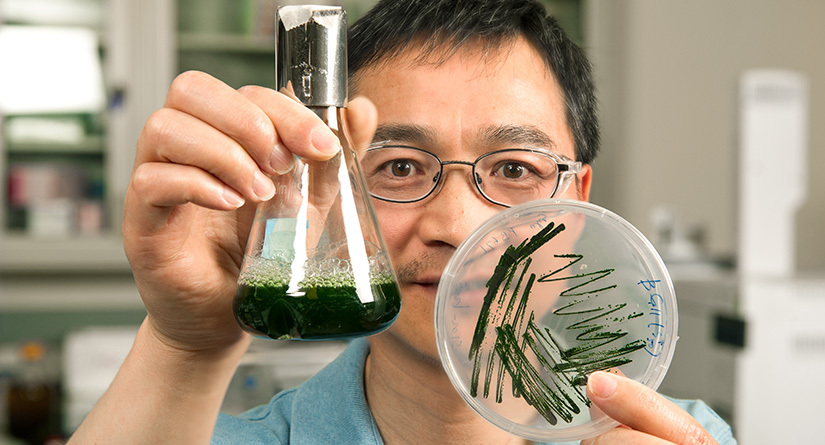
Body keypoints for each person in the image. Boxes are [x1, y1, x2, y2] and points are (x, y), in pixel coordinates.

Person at [70, 0, 735, 443]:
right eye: (398, 168)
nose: (456, 225)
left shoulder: (680, 434)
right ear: (329, 187)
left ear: (577, 207)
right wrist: (186, 343)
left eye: (513, 169)